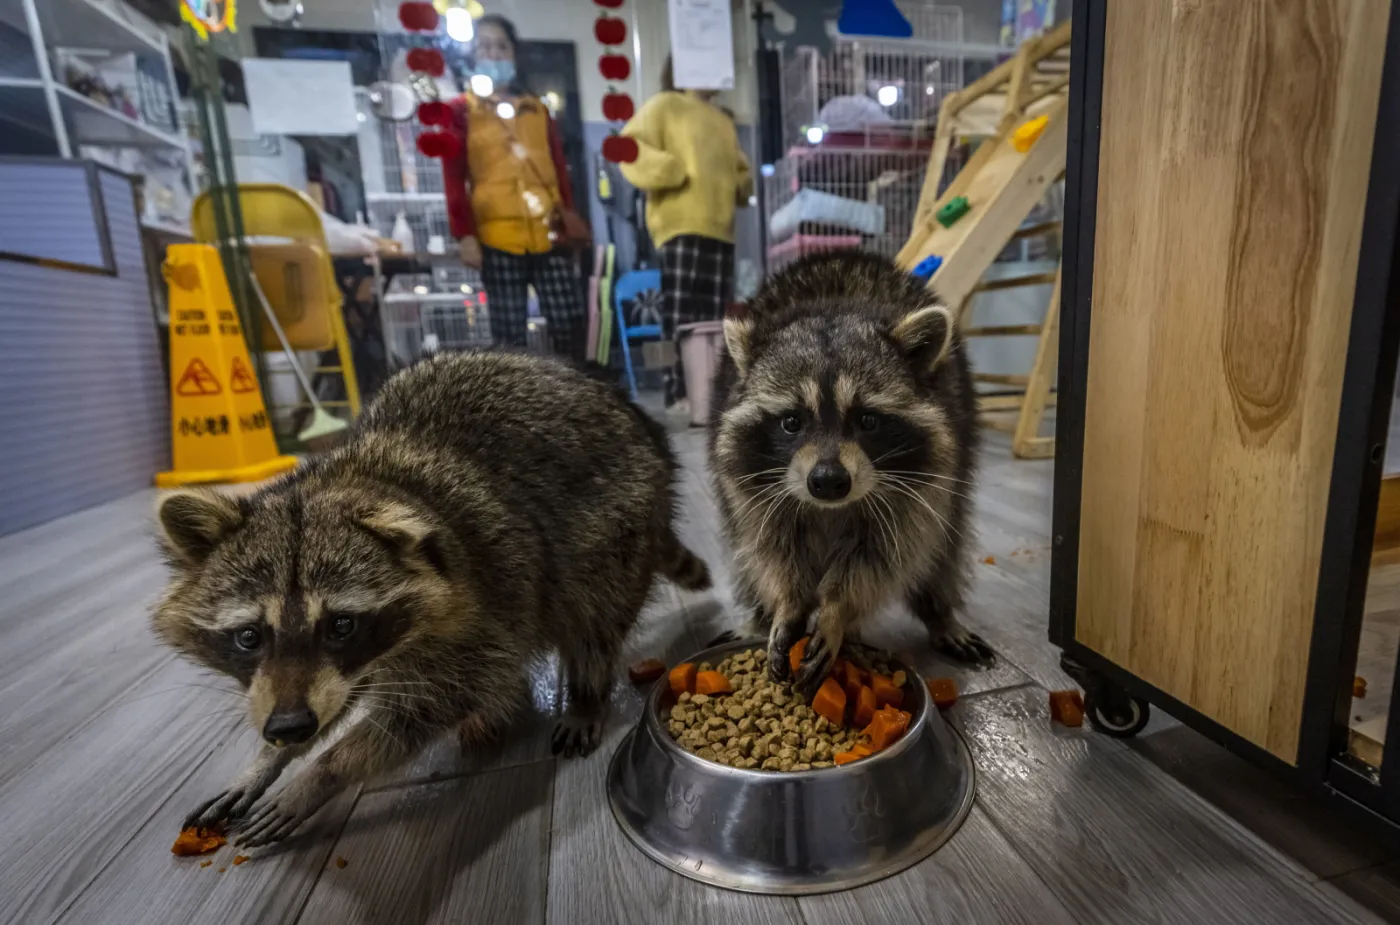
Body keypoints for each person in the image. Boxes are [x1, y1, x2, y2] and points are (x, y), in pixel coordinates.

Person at [439, 14, 587, 361]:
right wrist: (465, 235)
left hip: (549, 233)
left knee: (570, 323)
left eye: (502, 46)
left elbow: (558, 171)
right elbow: (453, 177)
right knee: (509, 339)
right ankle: (520, 395)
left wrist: (568, 217)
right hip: (497, 238)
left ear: (514, 54)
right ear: (473, 55)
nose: (494, 54)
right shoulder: (460, 111)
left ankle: (574, 391)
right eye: (485, 47)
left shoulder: (537, 110)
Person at [619, 57, 752, 413]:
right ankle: (673, 390)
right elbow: (628, 148)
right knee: (676, 314)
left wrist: (740, 183)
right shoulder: (665, 105)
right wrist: (671, 169)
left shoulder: (724, 121)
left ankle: (711, 394)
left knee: (717, 319)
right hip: (678, 224)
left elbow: (742, 171)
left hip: (721, 229)